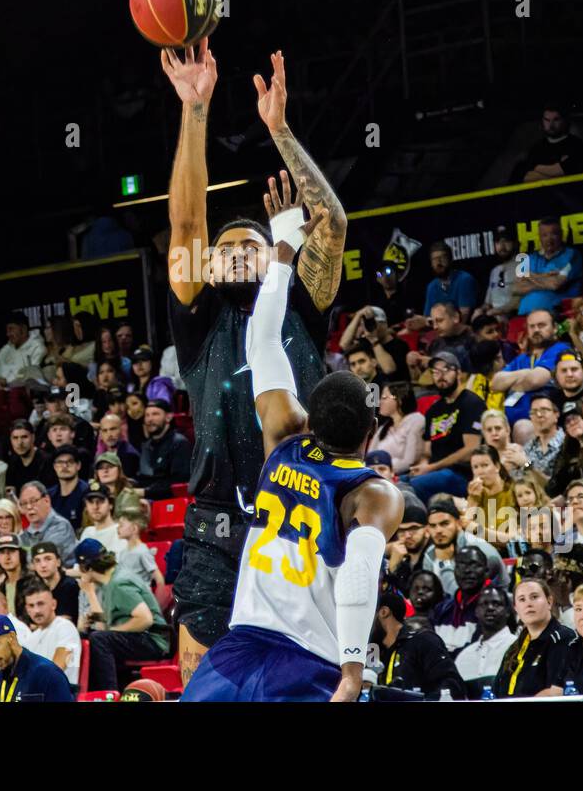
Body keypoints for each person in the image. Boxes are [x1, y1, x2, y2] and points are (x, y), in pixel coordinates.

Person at [180, 186, 404, 702]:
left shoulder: (282, 441)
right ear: (370, 434)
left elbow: (261, 340)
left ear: (308, 418)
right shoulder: (374, 493)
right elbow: (359, 581)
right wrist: (352, 671)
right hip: (307, 659)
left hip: (239, 649)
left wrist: (283, 248)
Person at [163, 47, 344, 684]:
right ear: (207, 266)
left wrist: (281, 132)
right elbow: (186, 220)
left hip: (299, 510)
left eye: (253, 244)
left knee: (304, 683)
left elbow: (333, 223)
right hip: (215, 528)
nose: (237, 252)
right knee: (206, 687)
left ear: (275, 258)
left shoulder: (301, 301)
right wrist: (194, 109)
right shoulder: (197, 318)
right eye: (225, 247)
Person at [76, 539, 172, 690]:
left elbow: (144, 619)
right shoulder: (111, 580)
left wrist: (112, 631)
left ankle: (108, 694)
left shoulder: (119, 583)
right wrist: (98, 617)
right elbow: (119, 619)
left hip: (154, 640)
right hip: (141, 638)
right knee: (89, 636)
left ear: (86, 568)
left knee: (100, 639)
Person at [407, 352, 485, 501]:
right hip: (435, 471)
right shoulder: (434, 410)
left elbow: (471, 449)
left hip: (461, 473)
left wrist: (432, 467)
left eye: (446, 370)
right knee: (397, 484)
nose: (440, 376)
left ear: (459, 373)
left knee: (414, 486)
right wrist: (423, 466)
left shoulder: (472, 403)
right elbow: (427, 451)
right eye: (435, 372)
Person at [371, 586, 464, 699]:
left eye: (367, 615)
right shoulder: (374, 652)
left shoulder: (423, 641)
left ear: (383, 612)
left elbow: (452, 686)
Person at [490, 308, 571, 436]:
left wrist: (513, 382)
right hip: (507, 422)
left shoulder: (560, 350)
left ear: (555, 328)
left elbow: (535, 380)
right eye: (532, 326)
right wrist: (526, 374)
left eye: (542, 325)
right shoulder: (523, 358)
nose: (536, 330)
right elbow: (496, 383)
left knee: (522, 429)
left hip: (536, 422)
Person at [494, 576, 575, 698]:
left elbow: (557, 692)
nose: (528, 604)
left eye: (534, 597)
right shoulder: (513, 649)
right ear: (516, 609)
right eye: (522, 599)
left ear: (549, 601)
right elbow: (496, 692)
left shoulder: (563, 639)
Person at [420, 497, 508, 597]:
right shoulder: (430, 554)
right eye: (433, 526)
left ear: (458, 523)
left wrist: (444, 563)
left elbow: (464, 597)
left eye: (445, 524)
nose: (438, 530)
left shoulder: (479, 550)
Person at [512, 217, 583, 316]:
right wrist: (545, 277)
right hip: (525, 314)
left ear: (561, 234)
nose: (549, 239)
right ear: (539, 237)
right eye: (544, 235)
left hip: (556, 314)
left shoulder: (571, 254)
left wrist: (528, 276)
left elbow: (555, 284)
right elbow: (515, 288)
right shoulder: (529, 258)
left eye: (554, 234)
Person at [453, 587, 518, 691]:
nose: (490, 608)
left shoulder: (518, 648)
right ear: (476, 612)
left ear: (508, 611)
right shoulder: (464, 656)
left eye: (496, 604)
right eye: (484, 604)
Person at [21, 580, 82, 689]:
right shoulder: (31, 638)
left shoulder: (65, 627)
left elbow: (56, 670)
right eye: (31, 605)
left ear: (53, 604)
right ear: (27, 609)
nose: (36, 610)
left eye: (41, 604)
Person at [135, 398, 192, 500]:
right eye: (147, 415)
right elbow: (144, 476)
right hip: (146, 500)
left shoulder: (179, 443)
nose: (149, 419)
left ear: (168, 417)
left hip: (170, 503)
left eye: (155, 414)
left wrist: (146, 492)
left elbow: (179, 482)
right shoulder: (146, 445)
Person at [516, 104, 583, 181]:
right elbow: (528, 177)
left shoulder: (576, 144)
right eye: (547, 120)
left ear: (564, 120)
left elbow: (568, 171)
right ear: (542, 121)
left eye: (556, 119)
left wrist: (537, 168)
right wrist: (556, 172)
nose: (551, 125)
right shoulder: (536, 148)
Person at [369, 382, 424, 478]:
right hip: (378, 474)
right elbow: (370, 456)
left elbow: (409, 461)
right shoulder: (384, 427)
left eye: (385, 397)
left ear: (399, 400)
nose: (380, 401)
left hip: (402, 476)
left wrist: (384, 470)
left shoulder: (416, 420)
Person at [17, 482, 79, 566]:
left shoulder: (61, 526)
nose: (29, 507)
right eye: (24, 503)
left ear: (47, 500)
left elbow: (44, 561)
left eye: (33, 501)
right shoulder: (26, 533)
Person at [0, 311, 47, 388]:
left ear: (23, 329)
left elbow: (32, 378)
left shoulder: (37, 348)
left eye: (11, 329)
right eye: (7, 330)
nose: (8, 334)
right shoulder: (5, 350)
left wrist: (6, 382)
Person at [424, 243, 479, 321]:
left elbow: (464, 317)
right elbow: (428, 317)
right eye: (434, 259)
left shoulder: (464, 279)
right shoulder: (431, 286)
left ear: (450, 259)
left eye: (442, 257)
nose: (438, 262)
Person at [27, 542, 80, 622]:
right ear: (33, 566)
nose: (43, 565)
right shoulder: (33, 587)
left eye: (48, 559)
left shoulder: (69, 585)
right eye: (38, 561)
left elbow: (64, 622)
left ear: (58, 562)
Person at [385, 502, 432, 591]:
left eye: (413, 529)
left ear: (427, 529)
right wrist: (393, 566)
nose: (407, 536)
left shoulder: (433, 553)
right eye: (402, 530)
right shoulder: (399, 555)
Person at [115, 509, 163, 589]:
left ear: (134, 529)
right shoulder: (123, 552)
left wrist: (156, 601)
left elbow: (159, 580)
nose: (117, 528)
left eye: (121, 525)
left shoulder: (142, 551)